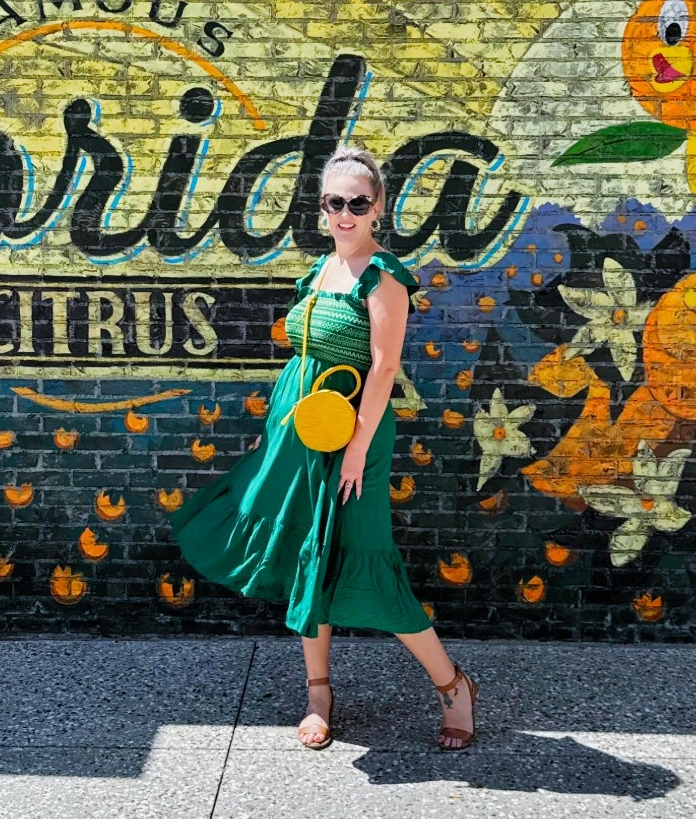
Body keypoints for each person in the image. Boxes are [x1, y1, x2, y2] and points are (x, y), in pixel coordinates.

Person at [167, 145, 479, 752]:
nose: (344, 214)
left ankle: (452, 685)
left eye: (356, 203)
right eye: (334, 202)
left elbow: (385, 368)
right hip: (303, 434)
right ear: (321, 208)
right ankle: (318, 692)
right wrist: (278, 430)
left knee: (364, 555)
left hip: (353, 438)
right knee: (308, 553)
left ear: (378, 208)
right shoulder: (319, 271)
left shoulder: (385, 278)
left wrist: (359, 449)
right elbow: (302, 358)